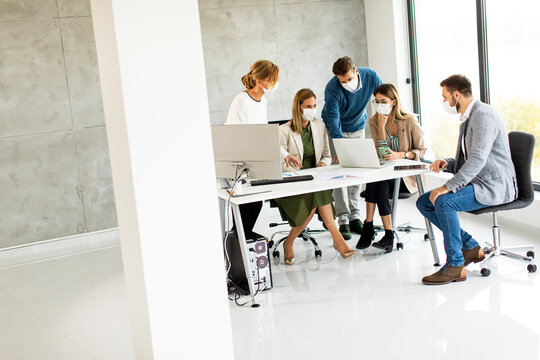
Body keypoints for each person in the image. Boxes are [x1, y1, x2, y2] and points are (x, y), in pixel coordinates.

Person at [417, 74, 517, 285]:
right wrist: (448, 162)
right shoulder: (468, 117)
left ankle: (455, 265)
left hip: (494, 185)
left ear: (456, 94)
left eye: (445, 97)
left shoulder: (483, 115)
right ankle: (470, 246)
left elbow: (479, 159)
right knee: (424, 202)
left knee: (444, 201)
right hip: (479, 180)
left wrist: (447, 187)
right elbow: (470, 159)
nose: (444, 102)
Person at [276, 88, 355, 264]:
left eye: (314, 105)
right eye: (308, 106)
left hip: (316, 178)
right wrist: (299, 171)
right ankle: (336, 239)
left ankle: (292, 243)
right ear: (299, 108)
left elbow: (326, 155)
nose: (313, 109)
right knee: (317, 198)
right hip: (294, 181)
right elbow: (281, 163)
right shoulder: (283, 130)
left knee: (316, 194)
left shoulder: (320, 126)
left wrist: (322, 165)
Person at [226, 60, 301, 237]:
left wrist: (284, 154)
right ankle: (238, 247)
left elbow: (264, 135)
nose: (275, 84)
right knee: (245, 207)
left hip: (255, 160)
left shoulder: (263, 101)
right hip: (239, 163)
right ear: (261, 80)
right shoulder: (241, 100)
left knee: (257, 203)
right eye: (272, 80)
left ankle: (245, 243)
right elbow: (235, 135)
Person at [355, 83, 426, 252]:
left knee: (380, 182)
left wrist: (400, 155)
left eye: (383, 101)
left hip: (406, 177)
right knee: (378, 180)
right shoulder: (374, 121)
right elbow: (381, 153)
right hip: (386, 174)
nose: (379, 104)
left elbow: (422, 150)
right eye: (376, 101)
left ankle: (370, 227)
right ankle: (384, 231)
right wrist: (381, 126)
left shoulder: (409, 120)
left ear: (393, 102)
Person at [321, 56, 382, 240]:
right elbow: (332, 119)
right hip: (335, 130)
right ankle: (343, 219)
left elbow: (382, 97)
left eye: (348, 79)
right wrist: (340, 146)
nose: (346, 83)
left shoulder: (370, 76)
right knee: (338, 174)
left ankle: (355, 215)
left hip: (357, 127)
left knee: (356, 172)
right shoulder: (332, 88)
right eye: (342, 81)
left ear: (356, 71)